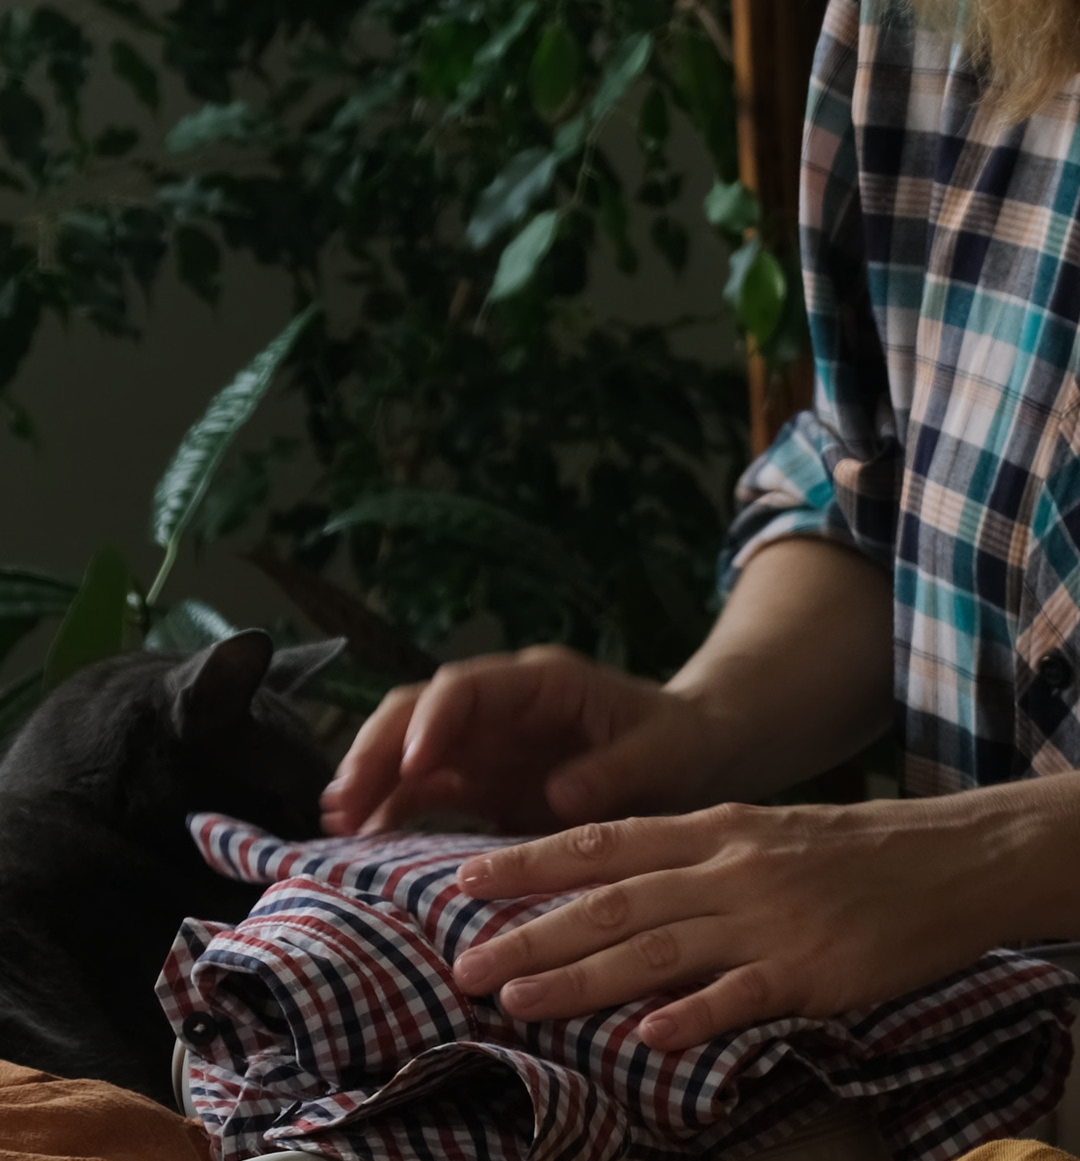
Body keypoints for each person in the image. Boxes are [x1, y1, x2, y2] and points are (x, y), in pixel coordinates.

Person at [322, 0, 1080, 1054]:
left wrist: (989, 860)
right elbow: (877, 497)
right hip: (996, 1098)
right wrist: (705, 720)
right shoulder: (928, 24)